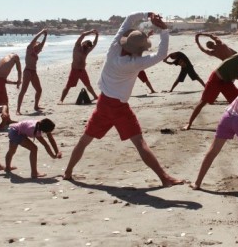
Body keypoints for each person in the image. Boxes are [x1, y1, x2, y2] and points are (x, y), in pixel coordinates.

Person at [63, 11, 182, 186]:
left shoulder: (114, 49)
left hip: (103, 104)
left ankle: (67, 172)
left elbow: (128, 20)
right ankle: (164, 178)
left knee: (85, 140)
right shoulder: (135, 63)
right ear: (140, 50)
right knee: (140, 143)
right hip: (119, 107)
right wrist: (164, 31)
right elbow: (161, 54)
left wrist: (147, 14)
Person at [60, 30, 99, 103]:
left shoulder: (86, 50)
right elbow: (83, 35)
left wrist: (97, 35)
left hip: (82, 70)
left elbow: (94, 44)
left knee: (88, 85)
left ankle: (95, 96)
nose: (87, 47)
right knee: (68, 86)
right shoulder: (77, 46)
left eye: (88, 46)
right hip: (74, 70)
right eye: (87, 44)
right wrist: (91, 32)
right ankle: (61, 100)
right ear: (83, 42)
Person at [16, 29, 47, 114]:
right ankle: (18, 110)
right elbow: (34, 39)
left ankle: (36, 106)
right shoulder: (29, 49)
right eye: (37, 44)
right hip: (27, 71)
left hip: (34, 72)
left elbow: (42, 45)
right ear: (34, 44)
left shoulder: (36, 52)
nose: (39, 46)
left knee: (39, 90)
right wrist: (41, 32)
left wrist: (45, 36)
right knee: (23, 90)